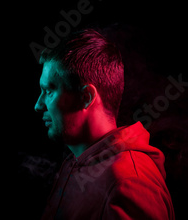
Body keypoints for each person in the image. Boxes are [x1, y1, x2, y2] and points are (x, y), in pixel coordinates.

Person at [34, 29, 174, 219]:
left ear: (86, 97)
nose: (38, 105)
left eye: (49, 91)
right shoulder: (76, 162)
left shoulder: (129, 182)